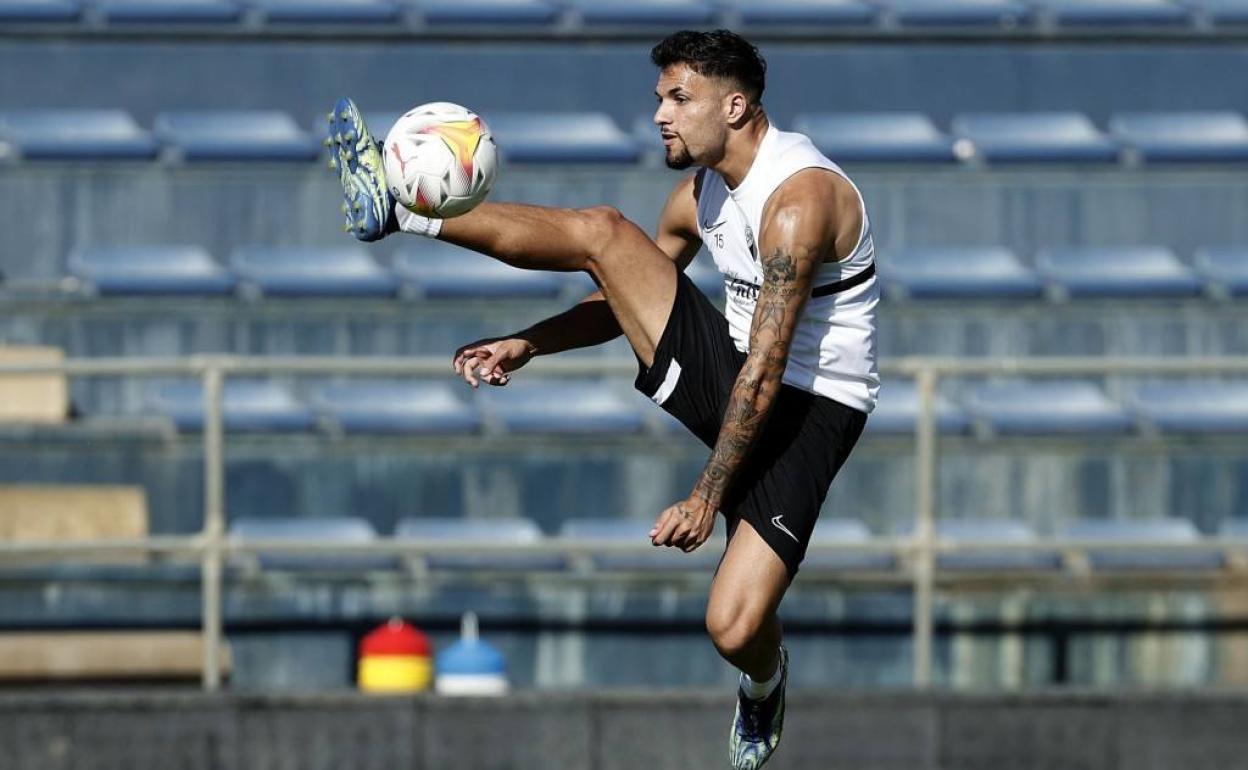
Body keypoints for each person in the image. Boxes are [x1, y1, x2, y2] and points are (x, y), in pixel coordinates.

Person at [329, 29, 878, 770]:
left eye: (681, 99)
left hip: (810, 409)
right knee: (606, 234)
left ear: (738, 106)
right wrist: (531, 342)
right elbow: (622, 292)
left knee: (732, 625)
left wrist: (706, 497)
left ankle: (765, 680)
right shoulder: (697, 196)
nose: (661, 115)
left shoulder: (798, 202)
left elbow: (770, 371)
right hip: (738, 368)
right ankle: (402, 212)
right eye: (660, 99)